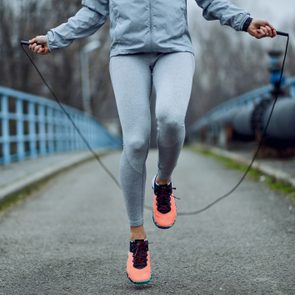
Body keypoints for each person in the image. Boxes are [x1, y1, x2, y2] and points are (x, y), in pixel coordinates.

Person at [29, 0, 276, 285]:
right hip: (126, 55)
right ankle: (137, 238)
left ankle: (163, 182)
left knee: (170, 118)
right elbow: (95, 11)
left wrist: (245, 21)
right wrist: (54, 38)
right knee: (134, 142)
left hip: (174, 50)